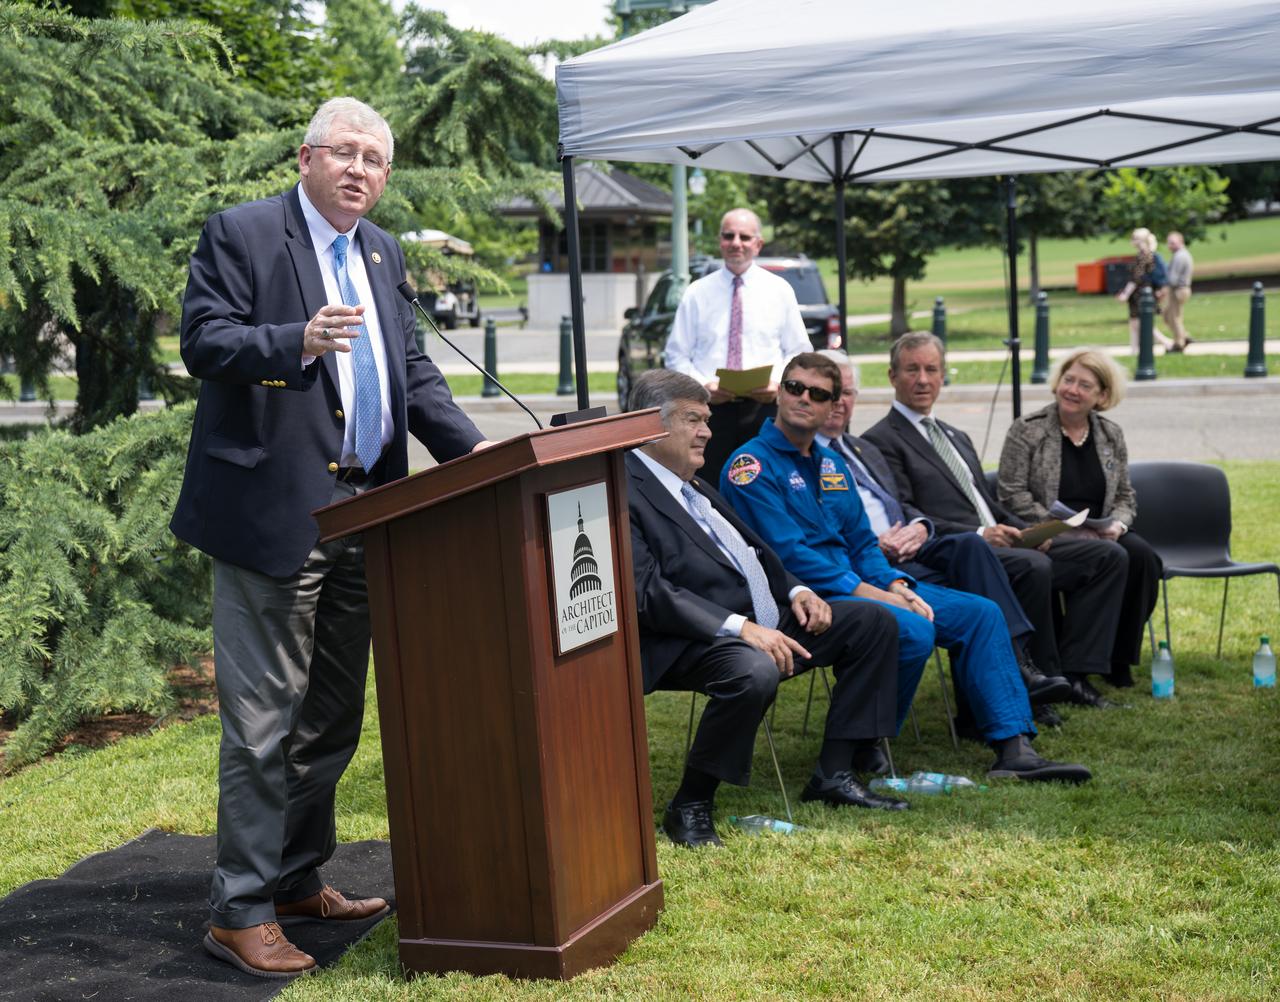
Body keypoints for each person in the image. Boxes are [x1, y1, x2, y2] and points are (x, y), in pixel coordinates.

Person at [172, 98, 491, 978]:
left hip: (369, 515)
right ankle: (237, 912)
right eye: (343, 153)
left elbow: (412, 371)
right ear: (305, 158)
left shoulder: (382, 253)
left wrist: (488, 456)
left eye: (375, 160)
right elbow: (203, 341)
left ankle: (292, 877)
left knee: (331, 719)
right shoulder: (242, 234)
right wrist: (295, 342)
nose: (359, 169)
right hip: (273, 517)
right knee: (264, 724)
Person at [721, 353, 1091, 784]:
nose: (805, 398)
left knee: (981, 614)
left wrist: (896, 582)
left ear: (831, 406)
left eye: (819, 394)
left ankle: (1014, 749)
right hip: (807, 598)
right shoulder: (752, 466)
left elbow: (861, 542)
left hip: (864, 585)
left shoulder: (832, 464)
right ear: (780, 393)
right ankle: (865, 741)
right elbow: (790, 557)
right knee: (913, 628)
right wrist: (881, 595)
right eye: (795, 387)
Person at [627, 369, 912, 847]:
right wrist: (740, 627)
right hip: (696, 637)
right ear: (650, 426)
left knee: (872, 621)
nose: (707, 432)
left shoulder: (692, 483)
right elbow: (648, 591)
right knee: (754, 671)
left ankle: (834, 774)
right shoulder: (625, 487)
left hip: (766, 620)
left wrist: (798, 591)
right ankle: (691, 805)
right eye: (693, 420)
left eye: (707, 419)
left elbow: (756, 553)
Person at [862, 332, 1128, 709]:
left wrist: (1027, 529)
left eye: (931, 369)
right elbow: (906, 513)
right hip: (954, 549)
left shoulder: (955, 435)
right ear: (892, 376)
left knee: (1108, 557)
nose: (922, 379)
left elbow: (986, 502)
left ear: (942, 376)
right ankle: (1033, 678)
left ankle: (1075, 675)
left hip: (1003, 540)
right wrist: (982, 533)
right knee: (1033, 567)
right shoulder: (881, 440)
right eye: (912, 370)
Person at [813, 350, 1072, 718]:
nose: (840, 403)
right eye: (831, 394)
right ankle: (1015, 682)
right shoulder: (810, 457)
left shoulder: (861, 448)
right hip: (872, 565)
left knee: (975, 550)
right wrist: (878, 546)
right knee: (996, 571)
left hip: (914, 547)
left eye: (849, 393)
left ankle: (1020, 675)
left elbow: (903, 506)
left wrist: (921, 526)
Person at [997, 349, 1161, 689]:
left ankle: (1118, 658)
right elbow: (1011, 493)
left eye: (1084, 385)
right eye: (1068, 380)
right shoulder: (1028, 430)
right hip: (1046, 532)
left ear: (1101, 396)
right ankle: (1076, 669)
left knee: (1143, 557)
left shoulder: (1110, 434)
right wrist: (1061, 527)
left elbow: (1125, 495)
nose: (1072, 390)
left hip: (1100, 530)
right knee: (1110, 558)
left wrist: (1118, 523)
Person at [663, 207, 810, 482]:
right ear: (720, 240)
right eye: (729, 236)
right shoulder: (697, 292)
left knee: (766, 483)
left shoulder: (779, 290)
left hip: (764, 408)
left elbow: (799, 351)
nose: (736, 243)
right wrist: (702, 386)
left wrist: (778, 383)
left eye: (744, 237)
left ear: (758, 243)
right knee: (711, 485)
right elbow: (676, 355)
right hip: (710, 411)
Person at [1116, 227, 1175, 352]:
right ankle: (1134, 350)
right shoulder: (1147, 254)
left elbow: (1136, 278)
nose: (1132, 241)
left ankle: (1167, 343)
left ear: (1141, 240)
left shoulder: (1145, 255)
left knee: (1143, 323)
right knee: (1134, 323)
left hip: (1142, 295)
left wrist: (1125, 294)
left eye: (1134, 238)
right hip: (1141, 294)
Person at [1164, 231, 1195, 351]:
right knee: (1167, 316)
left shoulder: (1180, 256)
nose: (1169, 246)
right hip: (1180, 289)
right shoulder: (1181, 254)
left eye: (1172, 243)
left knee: (1174, 317)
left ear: (1180, 242)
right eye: (1169, 243)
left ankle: (1179, 343)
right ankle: (1184, 336)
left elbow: (1173, 279)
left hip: (1179, 290)